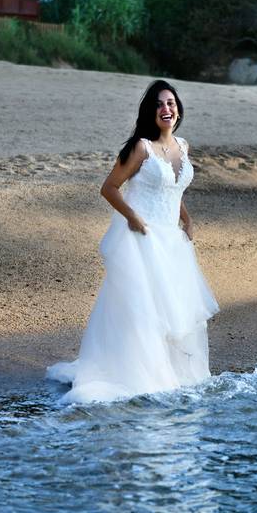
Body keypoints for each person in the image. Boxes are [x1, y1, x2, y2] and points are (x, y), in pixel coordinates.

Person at [47, 80, 218, 403]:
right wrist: (131, 216)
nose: (166, 110)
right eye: (159, 105)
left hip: (171, 241)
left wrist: (187, 218)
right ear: (150, 112)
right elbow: (109, 188)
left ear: (178, 108)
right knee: (143, 308)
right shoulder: (141, 148)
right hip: (141, 236)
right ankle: (137, 373)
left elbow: (172, 188)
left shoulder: (183, 146)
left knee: (172, 309)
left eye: (170, 103)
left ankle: (172, 372)